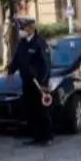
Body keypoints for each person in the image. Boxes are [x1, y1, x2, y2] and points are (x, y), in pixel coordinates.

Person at [7, 18, 53, 146]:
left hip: (39, 83)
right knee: (30, 110)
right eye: (21, 28)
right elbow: (17, 59)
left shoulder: (39, 42)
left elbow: (46, 63)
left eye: (23, 28)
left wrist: (44, 81)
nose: (21, 31)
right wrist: (10, 70)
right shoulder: (22, 43)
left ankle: (47, 136)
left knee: (42, 111)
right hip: (26, 81)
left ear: (30, 29)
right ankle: (36, 136)